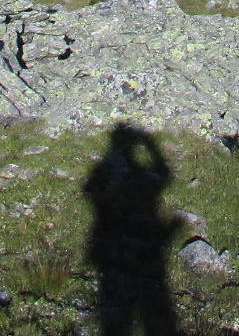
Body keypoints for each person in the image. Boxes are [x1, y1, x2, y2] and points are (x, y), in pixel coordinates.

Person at [83, 123, 181, 336]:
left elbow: (90, 190)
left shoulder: (103, 171)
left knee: (117, 312)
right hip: (141, 247)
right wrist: (150, 144)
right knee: (155, 306)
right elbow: (163, 173)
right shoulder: (141, 178)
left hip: (111, 248)